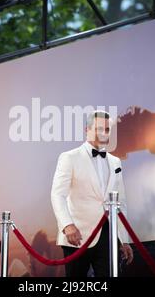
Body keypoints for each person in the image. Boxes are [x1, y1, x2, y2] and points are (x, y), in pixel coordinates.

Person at [51, 110, 133, 277]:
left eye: (107, 129)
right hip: (77, 236)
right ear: (86, 129)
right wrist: (67, 225)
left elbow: (121, 203)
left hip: (107, 237)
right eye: (99, 128)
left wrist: (123, 239)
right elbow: (57, 195)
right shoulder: (69, 157)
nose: (104, 133)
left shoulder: (115, 162)